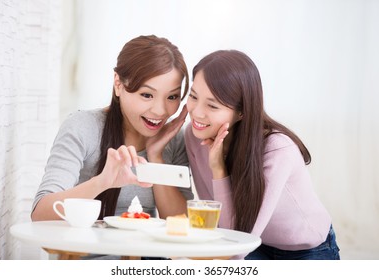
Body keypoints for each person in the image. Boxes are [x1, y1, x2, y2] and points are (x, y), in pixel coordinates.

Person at [184, 50, 340, 260]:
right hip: (255, 244)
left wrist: (219, 170)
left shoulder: (277, 150)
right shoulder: (195, 136)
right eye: (193, 96)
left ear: (242, 112)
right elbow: (221, 229)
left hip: (307, 250)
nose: (197, 112)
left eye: (212, 105)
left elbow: (237, 248)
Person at [31, 35, 193, 227]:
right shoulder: (83, 127)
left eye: (172, 97)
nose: (160, 110)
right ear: (118, 84)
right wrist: (102, 182)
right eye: (147, 95)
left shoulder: (173, 140)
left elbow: (183, 224)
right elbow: (40, 212)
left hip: (145, 256)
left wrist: (156, 156)